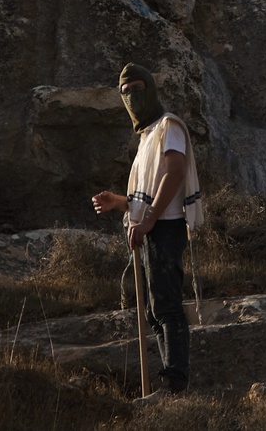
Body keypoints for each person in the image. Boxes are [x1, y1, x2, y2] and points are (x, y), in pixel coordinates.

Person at [92, 63, 203, 398]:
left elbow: (174, 173)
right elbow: (150, 190)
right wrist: (120, 203)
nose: (132, 97)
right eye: (125, 92)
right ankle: (168, 386)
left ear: (151, 89)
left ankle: (173, 385)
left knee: (167, 308)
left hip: (165, 229)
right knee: (155, 313)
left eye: (138, 89)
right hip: (150, 228)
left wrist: (151, 218)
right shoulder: (147, 136)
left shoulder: (168, 127)